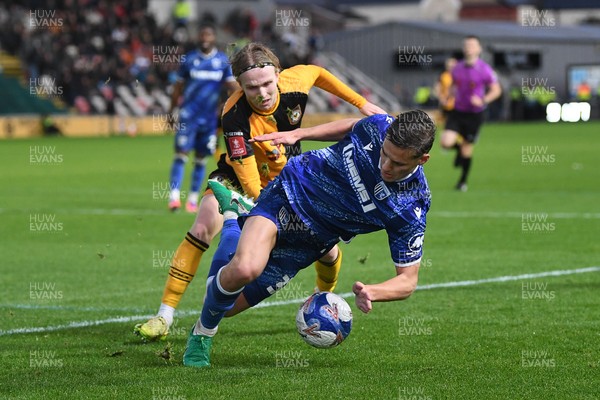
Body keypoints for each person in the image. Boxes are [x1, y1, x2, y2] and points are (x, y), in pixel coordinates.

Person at [134, 42, 386, 341]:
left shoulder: (294, 82)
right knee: (202, 227)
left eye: (268, 83)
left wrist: (361, 103)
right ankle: (164, 316)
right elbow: (251, 182)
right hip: (239, 179)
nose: (263, 93)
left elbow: (318, 72)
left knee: (329, 251)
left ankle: (321, 297)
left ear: (278, 74)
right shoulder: (234, 116)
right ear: (238, 85)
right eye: (252, 87)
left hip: (290, 180)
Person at [182, 109, 436, 367]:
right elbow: (351, 126)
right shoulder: (380, 126)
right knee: (246, 268)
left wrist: (373, 291)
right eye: (384, 153)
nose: (385, 166)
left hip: (311, 241)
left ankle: (233, 219)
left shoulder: (411, 205)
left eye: (398, 163)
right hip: (291, 190)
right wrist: (300, 134)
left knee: (220, 304)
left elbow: (408, 280)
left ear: (422, 159)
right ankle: (202, 335)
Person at [167, 23, 238, 213]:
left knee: (200, 159)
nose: (205, 38)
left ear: (213, 38)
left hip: (209, 120)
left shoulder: (222, 62)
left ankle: (191, 199)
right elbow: (177, 89)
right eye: (202, 35)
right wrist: (171, 111)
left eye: (208, 35)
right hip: (188, 117)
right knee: (181, 154)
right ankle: (174, 197)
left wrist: (244, 98)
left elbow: (232, 87)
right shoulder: (189, 60)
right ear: (199, 38)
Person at [439, 36, 501, 192]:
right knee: (445, 142)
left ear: (479, 49)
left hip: (475, 115)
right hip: (458, 111)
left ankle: (462, 181)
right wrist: (449, 96)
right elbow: (454, 85)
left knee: (467, 148)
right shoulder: (457, 68)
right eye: (466, 45)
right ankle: (458, 150)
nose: (468, 48)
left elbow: (496, 90)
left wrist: (483, 100)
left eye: (472, 45)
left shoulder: (484, 69)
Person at [433, 57, 457, 122]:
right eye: (449, 66)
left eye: (453, 66)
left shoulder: (460, 76)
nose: (451, 67)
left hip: (458, 104)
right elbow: (437, 88)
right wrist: (441, 98)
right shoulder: (443, 76)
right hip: (446, 104)